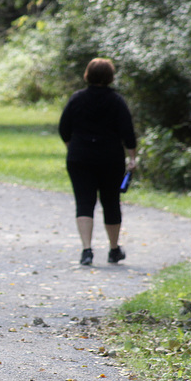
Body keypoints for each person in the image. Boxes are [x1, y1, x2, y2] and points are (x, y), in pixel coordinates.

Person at [59, 57, 137, 266]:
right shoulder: (117, 101)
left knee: (84, 202)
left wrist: (72, 147)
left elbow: (63, 128)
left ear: (88, 75)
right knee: (111, 202)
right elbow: (128, 132)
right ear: (110, 76)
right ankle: (113, 249)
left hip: (79, 157)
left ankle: (86, 250)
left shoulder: (77, 99)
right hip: (110, 158)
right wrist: (132, 157)